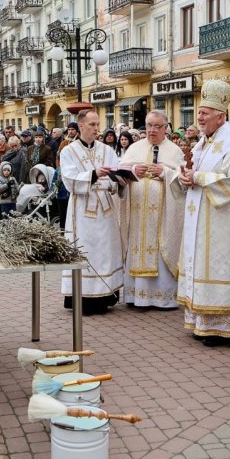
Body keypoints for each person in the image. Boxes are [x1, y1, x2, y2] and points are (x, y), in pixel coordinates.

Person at [171, 80, 230, 345]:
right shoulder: (202, 144)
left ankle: (223, 327)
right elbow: (192, 174)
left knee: (217, 266)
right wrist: (183, 178)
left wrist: (198, 177)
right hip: (199, 218)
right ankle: (201, 321)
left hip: (221, 223)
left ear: (221, 116)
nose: (200, 117)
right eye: (199, 112)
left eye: (205, 113)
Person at [59, 109, 125, 314]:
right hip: (82, 210)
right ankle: (82, 297)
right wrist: (94, 174)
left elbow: (117, 178)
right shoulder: (68, 151)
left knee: (105, 250)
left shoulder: (107, 150)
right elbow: (69, 180)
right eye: (92, 125)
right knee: (85, 249)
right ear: (80, 126)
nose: (97, 129)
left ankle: (106, 295)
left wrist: (121, 180)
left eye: (98, 124)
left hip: (105, 210)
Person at [119, 110, 185, 309]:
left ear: (166, 128)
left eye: (157, 126)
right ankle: (135, 296)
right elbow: (119, 175)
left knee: (160, 250)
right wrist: (131, 171)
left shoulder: (174, 151)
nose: (152, 130)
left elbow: (183, 181)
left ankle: (162, 298)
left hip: (162, 217)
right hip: (137, 216)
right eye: (149, 126)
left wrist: (164, 172)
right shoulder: (133, 148)